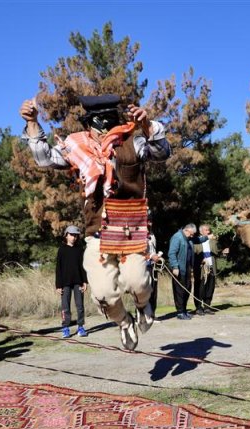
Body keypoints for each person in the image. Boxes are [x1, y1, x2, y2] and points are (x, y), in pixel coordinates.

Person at [20, 94, 171, 350]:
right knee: (102, 293)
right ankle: (124, 323)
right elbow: (44, 158)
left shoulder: (133, 142)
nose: (105, 130)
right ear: (90, 123)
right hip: (98, 233)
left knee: (137, 280)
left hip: (130, 230)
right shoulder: (76, 146)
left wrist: (146, 126)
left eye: (110, 121)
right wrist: (33, 122)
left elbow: (161, 152)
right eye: (100, 123)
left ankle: (144, 304)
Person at [55, 225, 88, 338]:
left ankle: (81, 327)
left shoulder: (79, 249)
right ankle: (65, 328)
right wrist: (58, 285)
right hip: (65, 283)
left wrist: (85, 281)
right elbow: (58, 268)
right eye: (71, 235)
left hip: (78, 282)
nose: (74, 237)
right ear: (66, 235)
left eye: (76, 235)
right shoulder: (62, 250)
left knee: (80, 306)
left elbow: (83, 266)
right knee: (66, 307)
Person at [192, 224, 228, 315]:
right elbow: (192, 254)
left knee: (210, 287)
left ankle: (207, 307)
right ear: (201, 231)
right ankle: (198, 307)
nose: (208, 232)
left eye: (209, 230)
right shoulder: (195, 241)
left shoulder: (213, 240)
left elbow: (217, 252)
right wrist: (200, 260)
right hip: (201, 268)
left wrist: (223, 253)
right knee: (200, 287)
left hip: (212, 266)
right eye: (206, 230)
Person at [168, 224, 196, 320]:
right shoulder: (177, 237)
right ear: (187, 230)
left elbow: (197, 240)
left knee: (187, 289)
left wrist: (207, 237)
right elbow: (172, 253)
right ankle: (180, 312)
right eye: (191, 234)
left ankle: (184, 310)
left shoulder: (188, 239)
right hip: (179, 268)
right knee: (179, 291)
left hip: (187, 268)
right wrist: (175, 266)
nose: (192, 236)